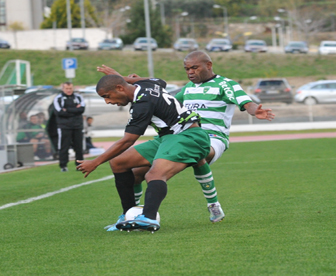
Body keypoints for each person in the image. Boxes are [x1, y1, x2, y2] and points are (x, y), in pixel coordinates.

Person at [97, 52, 275, 223]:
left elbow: (245, 101)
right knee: (136, 174)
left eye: (194, 68)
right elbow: (163, 100)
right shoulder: (187, 89)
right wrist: (125, 81)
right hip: (181, 135)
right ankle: (132, 214)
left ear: (209, 65)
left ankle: (212, 204)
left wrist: (254, 110)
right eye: (187, 69)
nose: (190, 72)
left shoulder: (225, 84)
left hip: (213, 137)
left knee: (196, 154)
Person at [76, 75, 210, 232]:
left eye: (107, 96)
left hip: (189, 136)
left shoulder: (142, 104)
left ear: (120, 88)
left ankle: (149, 218)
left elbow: (127, 141)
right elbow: (161, 81)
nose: (108, 101)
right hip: (169, 137)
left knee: (154, 175)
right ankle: (128, 215)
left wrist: (95, 162)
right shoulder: (144, 85)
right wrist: (124, 77)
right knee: (118, 161)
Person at [53, 82, 85, 172]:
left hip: (77, 126)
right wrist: (75, 110)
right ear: (63, 89)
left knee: (79, 146)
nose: (69, 90)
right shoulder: (58, 98)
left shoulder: (78, 97)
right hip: (64, 127)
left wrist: (67, 110)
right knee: (64, 146)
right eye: (67, 88)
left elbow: (81, 109)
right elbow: (59, 112)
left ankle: (80, 165)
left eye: (70, 88)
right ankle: (63, 165)